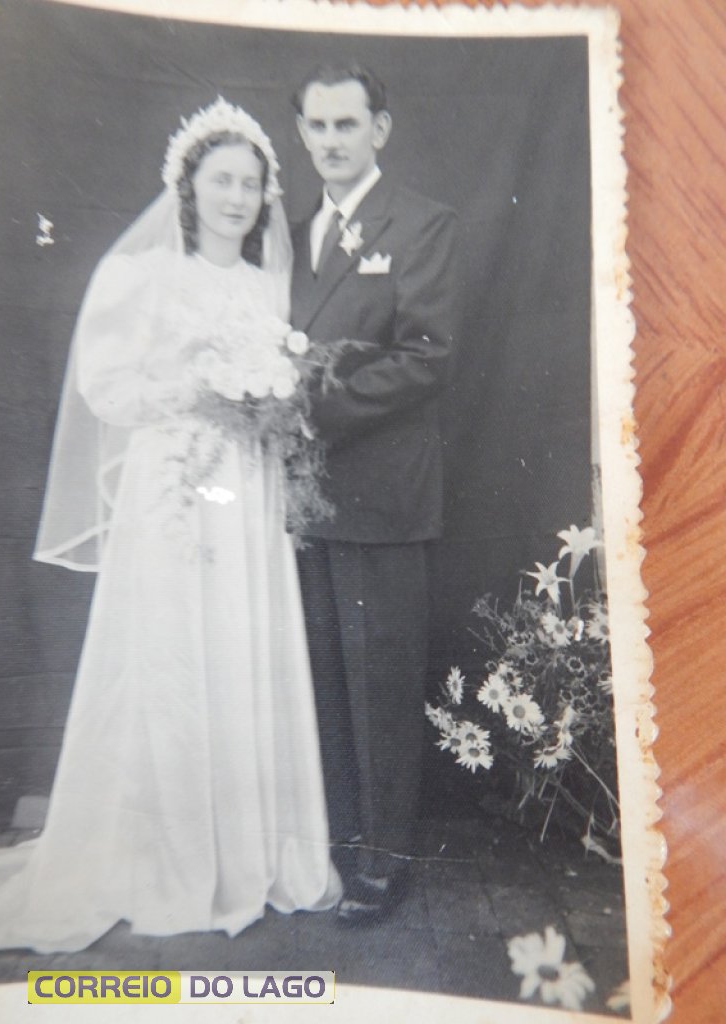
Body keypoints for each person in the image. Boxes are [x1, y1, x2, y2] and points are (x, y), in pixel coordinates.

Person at [0, 98, 340, 955]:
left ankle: (245, 856)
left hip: (248, 493)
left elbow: (293, 385)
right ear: (189, 189)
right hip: (170, 491)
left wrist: (267, 398)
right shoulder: (140, 279)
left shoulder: (271, 285)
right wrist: (203, 393)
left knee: (241, 648)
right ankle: (164, 857)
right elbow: (108, 388)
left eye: (252, 184)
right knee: (171, 655)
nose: (238, 198)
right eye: (222, 181)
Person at [290, 64, 461, 924]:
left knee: (382, 681)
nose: (331, 141)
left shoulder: (421, 223)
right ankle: (340, 842)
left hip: (385, 499)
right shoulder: (295, 232)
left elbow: (427, 356)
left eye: (347, 125)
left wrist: (307, 408)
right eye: (316, 126)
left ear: (380, 130)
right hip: (309, 503)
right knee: (324, 678)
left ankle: (385, 862)